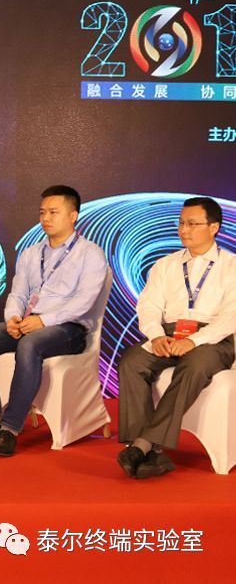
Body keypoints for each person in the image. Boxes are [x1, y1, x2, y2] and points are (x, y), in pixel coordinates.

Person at [0, 185, 107, 457]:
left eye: (53, 212)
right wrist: (13, 318)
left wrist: (44, 321)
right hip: (27, 324)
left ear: (72, 216)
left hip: (69, 329)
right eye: (42, 212)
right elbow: (18, 294)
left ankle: (10, 428)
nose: (45, 218)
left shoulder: (90, 253)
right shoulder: (31, 253)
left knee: (30, 345)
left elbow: (83, 303)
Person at [116, 197, 235, 479]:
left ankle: (142, 445)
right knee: (132, 362)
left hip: (214, 338)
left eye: (192, 224)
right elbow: (148, 306)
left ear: (214, 227)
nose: (183, 230)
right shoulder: (165, 265)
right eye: (181, 223)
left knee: (194, 365)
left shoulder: (231, 266)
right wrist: (157, 336)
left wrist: (194, 340)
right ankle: (151, 454)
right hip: (169, 333)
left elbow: (231, 316)